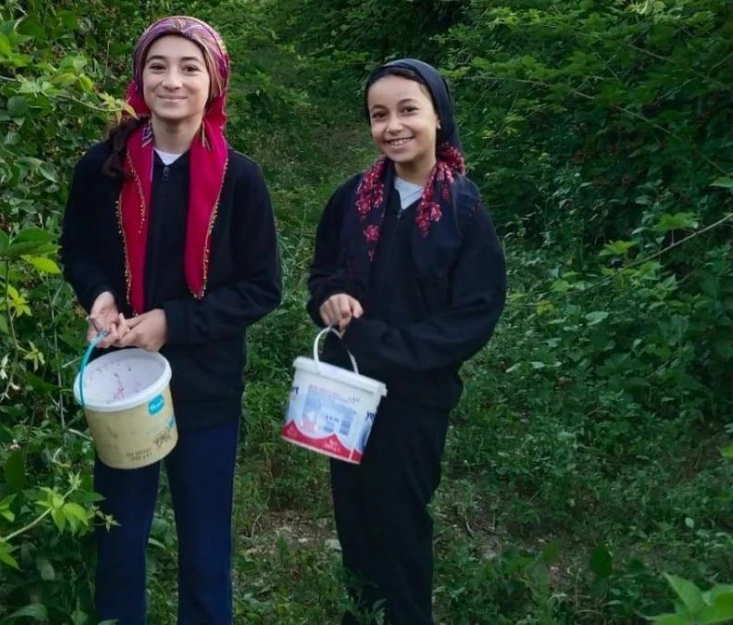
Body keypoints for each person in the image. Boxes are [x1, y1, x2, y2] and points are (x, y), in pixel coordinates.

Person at [57, 15, 282, 625]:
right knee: (120, 539)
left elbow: (263, 288)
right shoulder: (104, 166)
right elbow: (77, 249)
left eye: (190, 67)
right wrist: (100, 297)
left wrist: (171, 323)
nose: (173, 81)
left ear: (214, 82)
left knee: (205, 548)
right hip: (124, 383)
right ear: (139, 79)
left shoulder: (240, 180)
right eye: (158, 66)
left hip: (205, 387)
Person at [305, 59, 507, 625]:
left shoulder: (464, 211)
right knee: (354, 512)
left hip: (417, 399)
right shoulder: (353, 199)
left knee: (401, 517)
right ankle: (360, 613)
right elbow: (323, 274)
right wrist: (331, 299)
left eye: (408, 110)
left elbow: (474, 313)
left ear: (438, 117)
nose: (393, 125)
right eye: (378, 114)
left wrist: (383, 345)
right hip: (345, 392)